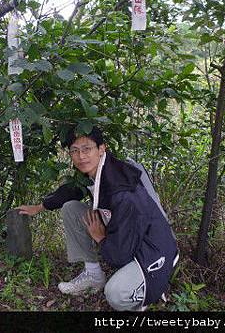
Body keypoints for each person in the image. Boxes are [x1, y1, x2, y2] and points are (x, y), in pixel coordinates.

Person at [17, 126, 178, 311]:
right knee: (71, 209)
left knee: (117, 294)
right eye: (75, 151)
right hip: (127, 234)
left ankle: (139, 294)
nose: (81, 156)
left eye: (87, 149)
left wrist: (100, 237)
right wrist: (40, 207)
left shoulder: (122, 192)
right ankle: (93, 276)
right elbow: (73, 190)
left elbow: (119, 257)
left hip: (154, 248)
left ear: (102, 149)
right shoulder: (98, 171)